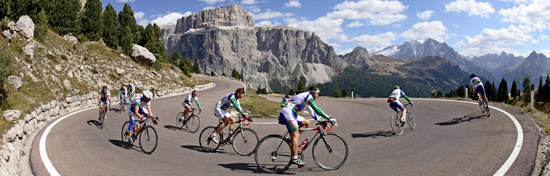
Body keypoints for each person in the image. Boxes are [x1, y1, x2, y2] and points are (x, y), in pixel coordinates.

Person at [279, 86, 334, 166]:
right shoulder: (308, 96)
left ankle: (292, 140)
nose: (318, 96)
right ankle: (294, 158)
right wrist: (329, 118)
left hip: (291, 113)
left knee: (306, 123)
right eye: (318, 94)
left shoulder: (307, 98)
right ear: (314, 93)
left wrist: (321, 121)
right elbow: (316, 109)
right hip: (287, 112)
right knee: (295, 135)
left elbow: (312, 113)